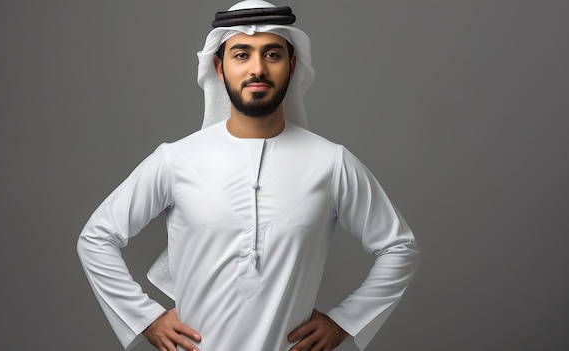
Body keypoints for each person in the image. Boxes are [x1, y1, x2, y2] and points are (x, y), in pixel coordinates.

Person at [77, 1, 420, 350]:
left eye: (272, 54)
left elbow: (400, 248)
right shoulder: (176, 159)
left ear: (292, 65)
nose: (258, 69)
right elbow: (96, 238)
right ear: (219, 67)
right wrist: (145, 318)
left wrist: (344, 321)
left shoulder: (330, 163)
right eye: (241, 55)